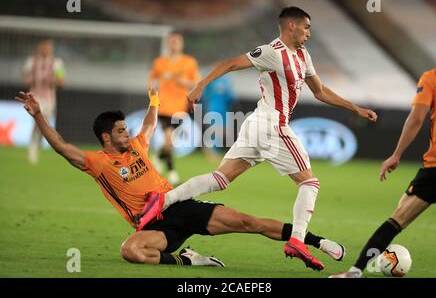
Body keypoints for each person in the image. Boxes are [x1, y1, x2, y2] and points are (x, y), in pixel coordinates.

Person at [147, 6, 378, 271]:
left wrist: (355, 108)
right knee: (310, 183)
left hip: (257, 124)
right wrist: (200, 85)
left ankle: (164, 201)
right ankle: (297, 240)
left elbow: (320, 91)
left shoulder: (303, 55)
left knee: (221, 178)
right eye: (306, 27)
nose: (309, 33)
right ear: (291, 26)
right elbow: (230, 63)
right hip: (272, 124)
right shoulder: (272, 52)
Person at [15, 89, 345, 267]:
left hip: (181, 206)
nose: (127, 133)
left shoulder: (138, 145)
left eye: (125, 128)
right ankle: (186, 258)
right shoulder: (97, 163)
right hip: (153, 227)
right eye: (119, 131)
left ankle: (316, 242)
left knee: (249, 222)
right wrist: (39, 114)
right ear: (105, 138)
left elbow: (147, 126)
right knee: (130, 251)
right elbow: (59, 146)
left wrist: (154, 102)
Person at [330, 29, 436, 278]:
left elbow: (417, 118)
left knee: (397, 219)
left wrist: (396, 154)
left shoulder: (432, 78)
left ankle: (354, 272)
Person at [148, 30, 201, 185]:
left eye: (177, 41)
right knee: (168, 140)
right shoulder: (160, 62)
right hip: (163, 105)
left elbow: (195, 82)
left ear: (181, 44)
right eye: (171, 41)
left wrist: (180, 81)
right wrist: (155, 87)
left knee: (169, 141)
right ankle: (172, 172)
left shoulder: (189, 62)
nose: (174, 44)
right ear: (167, 44)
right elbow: (151, 81)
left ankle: (157, 157)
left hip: (180, 107)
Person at [22, 39, 65, 164]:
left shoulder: (57, 63)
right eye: (43, 47)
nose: (45, 49)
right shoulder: (31, 61)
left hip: (49, 98)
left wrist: (53, 81)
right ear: (40, 48)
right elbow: (24, 76)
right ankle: (33, 147)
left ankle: (36, 143)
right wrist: (28, 80)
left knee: (44, 123)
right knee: (38, 120)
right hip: (35, 97)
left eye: (48, 47)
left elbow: (61, 80)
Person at [200, 73, 236, 162]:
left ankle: (208, 146)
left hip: (223, 108)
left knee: (225, 131)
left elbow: (230, 96)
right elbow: (204, 94)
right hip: (213, 108)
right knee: (216, 130)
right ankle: (213, 152)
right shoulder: (211, 79)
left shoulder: (227, 79)